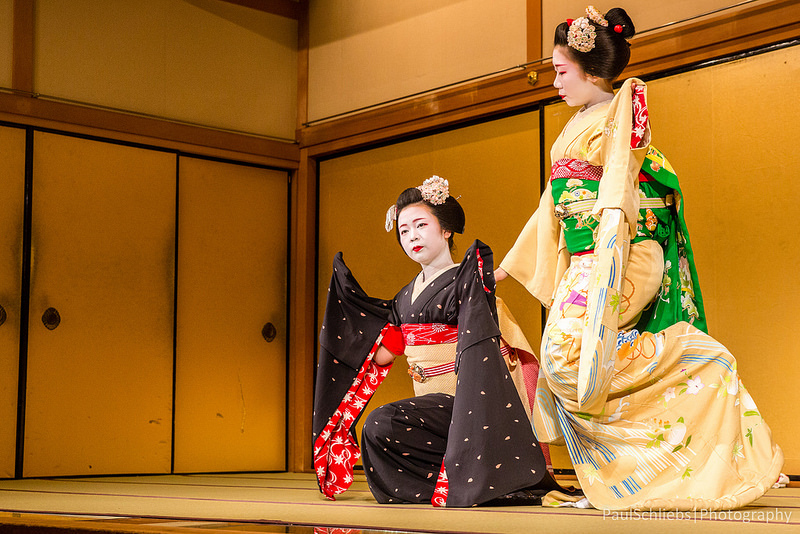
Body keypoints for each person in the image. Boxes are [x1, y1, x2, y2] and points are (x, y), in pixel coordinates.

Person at [495, 6, 784, 511]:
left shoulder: (623, 113)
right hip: (585, 259)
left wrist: (613, 252)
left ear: (590, 70)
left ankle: (698, 364)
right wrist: (500, 270)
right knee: (570, 367)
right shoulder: (579, 123)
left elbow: (626, 189)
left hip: (623, 256)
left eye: (561, 71)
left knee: (574, 362)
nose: (555, 83)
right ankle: (615, 475)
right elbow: (550, 207)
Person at [312, 176, 565, 507]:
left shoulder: (468, 280)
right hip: (434, 403)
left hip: (470, 400)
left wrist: (479, 282)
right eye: (404, 230)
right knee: (377, 433)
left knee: (382, 420)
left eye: (420, 225)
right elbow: (386, 354)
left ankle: (473, 481)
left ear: (446, 230)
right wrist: (350, 315)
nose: (412, 236)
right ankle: (445, 486)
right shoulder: (404, 297)